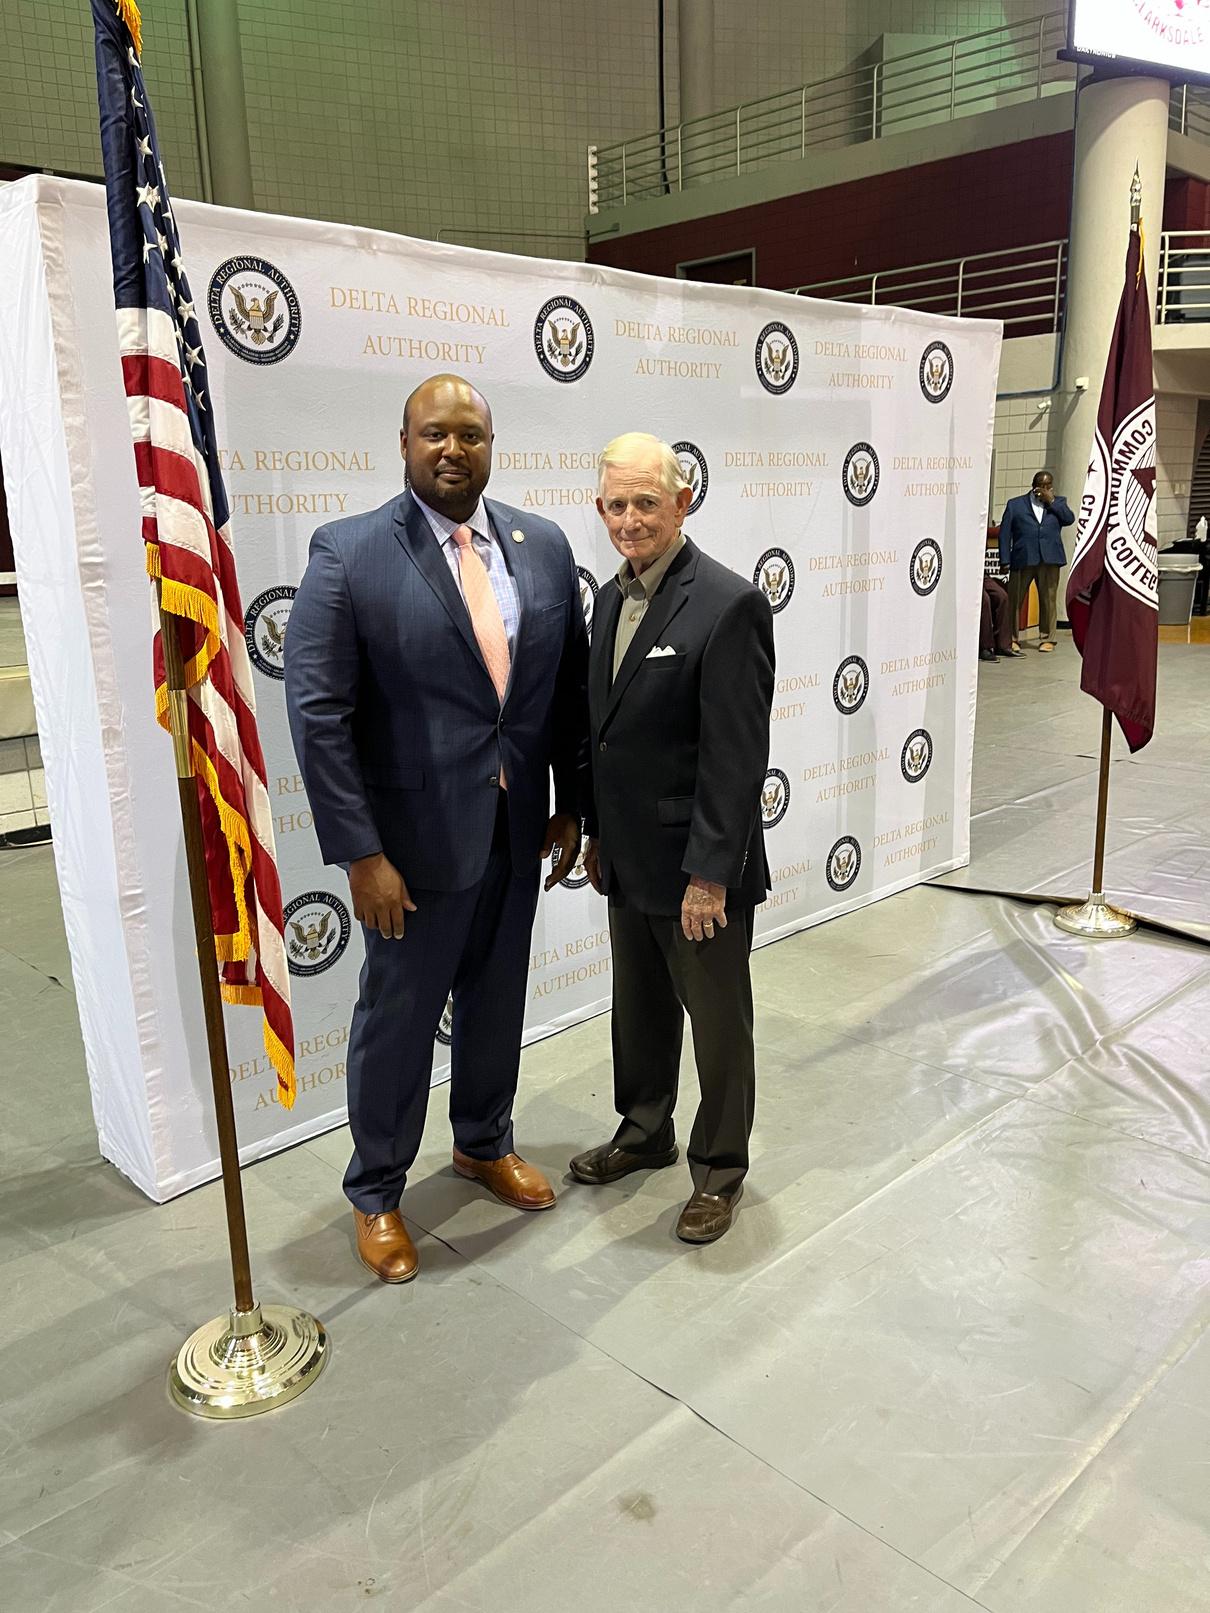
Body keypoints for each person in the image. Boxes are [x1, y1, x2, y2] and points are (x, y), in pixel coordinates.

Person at [284, 374, 588, 1283]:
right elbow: (319, 714)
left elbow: (564, 690)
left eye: (470, 434)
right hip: (409, 854)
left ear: (491, 445)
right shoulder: (349, 552)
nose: (452, 450)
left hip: (514, 831)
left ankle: (483, 1141)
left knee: (497, 1000)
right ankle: (376, 1190)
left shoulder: (542, 545)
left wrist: (571, 801)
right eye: (434, 434)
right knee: (398, 1021)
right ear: (404, 443)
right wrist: (361, 854)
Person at [570, 433, 775, 1245]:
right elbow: (607, 733)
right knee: (641, 1010)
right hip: (628, 858)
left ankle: (719, 1169)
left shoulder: (728, 603)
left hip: (698, 870)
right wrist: (596, 831)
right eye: (617, 505)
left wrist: (710, 875)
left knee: (717, 1024)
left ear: (682, 503)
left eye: (646, 503)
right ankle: (645, 1128)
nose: (630, 520)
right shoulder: (608, 599)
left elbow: (736, 756)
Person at [998, 471, 1075, 654]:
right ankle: (1012, 638)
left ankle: (1047, 638)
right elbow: (1005, 533)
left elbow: (1069, 519)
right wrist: (1004, 559)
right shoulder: (1015, 505)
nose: (1045, 489)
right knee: (1015, 600)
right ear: (1034, 486)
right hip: (1023, 557)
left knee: (1048, 599)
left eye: (1048, 486)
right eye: (1042, 485)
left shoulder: (1059, 503)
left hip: (1049, 558)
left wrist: (1052, 501)